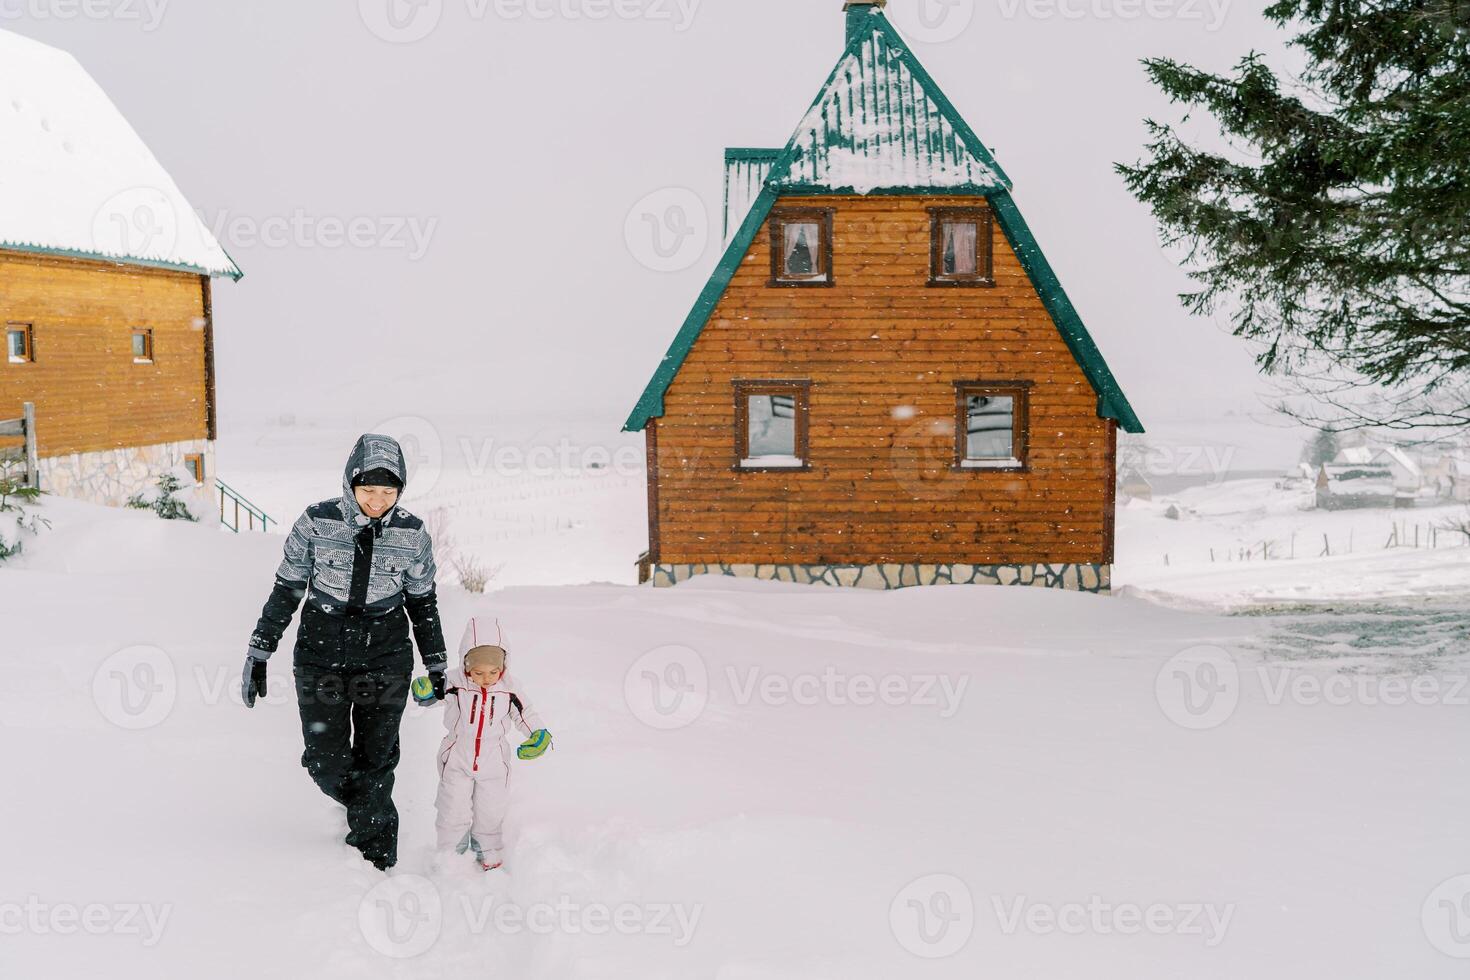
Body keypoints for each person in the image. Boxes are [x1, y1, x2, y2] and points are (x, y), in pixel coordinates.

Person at [241, 433, 448, 871]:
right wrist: (260, 651)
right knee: (324, 761)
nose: (377, 500)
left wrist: (436, 662)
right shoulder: (317, 521)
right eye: (368, 490)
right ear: (350, 484)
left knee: (378, 757)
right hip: (321, 649)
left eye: (388, 491)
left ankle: (374, 860)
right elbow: (287, 589)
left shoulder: (411, 533)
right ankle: (362, 806)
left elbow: (422, 601)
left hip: (385, 652)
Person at [430, 616, 552, 871]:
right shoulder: (454, 683)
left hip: (494, 758)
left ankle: (488, 849)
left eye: (493, 672)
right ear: (466, 666)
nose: (487, 678)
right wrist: (423, 689)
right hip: (457, 756)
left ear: (503, 666)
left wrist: (538, 734)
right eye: (478, 673)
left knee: (491, 808)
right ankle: (450, 854)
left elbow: (525, 713)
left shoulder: (509, 688)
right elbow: (430, 693)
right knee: (453, 808)